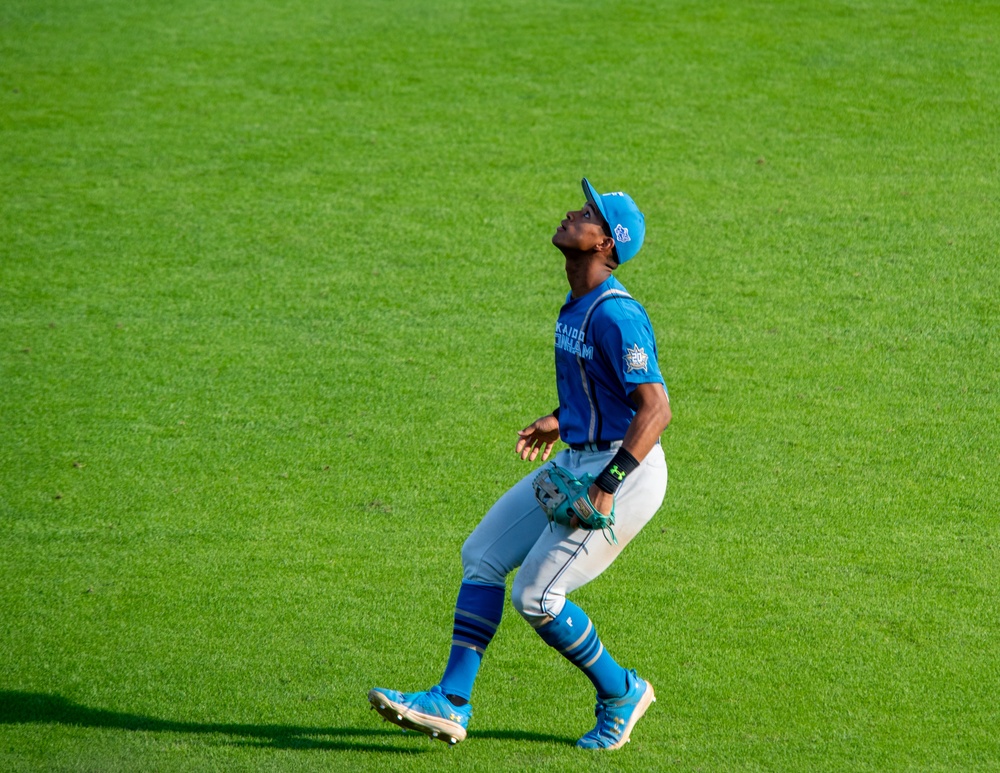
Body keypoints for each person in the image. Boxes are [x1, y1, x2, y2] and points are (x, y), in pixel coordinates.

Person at [369, 179, 671, 750]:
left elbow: (656, 409)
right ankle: (451, 701)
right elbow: (604, 387)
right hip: (583, 455)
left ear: (606, 242)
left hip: (625, 472)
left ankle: (622, 691)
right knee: (481, 554)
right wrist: (561, 419)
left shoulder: (618, 316)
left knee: (537, 597)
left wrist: (607, 485)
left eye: (586, 214)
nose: (571, 213)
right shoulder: (579, 304)